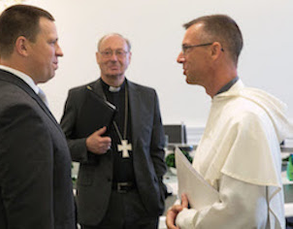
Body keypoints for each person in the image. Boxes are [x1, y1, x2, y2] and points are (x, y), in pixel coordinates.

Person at [166, 14, 293, 229]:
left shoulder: (246, 117)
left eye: (187, 48)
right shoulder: (226, 108)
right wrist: (182, 207)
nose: (180, 58)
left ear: (214, 51)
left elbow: (243, 216)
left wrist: (184, 219)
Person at [0, 5, 76, 229]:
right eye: (52, 42)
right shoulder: (18, 111)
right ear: (23, 46)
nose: (60, 51)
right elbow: (30, 217)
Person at [60, 33, 167, 229]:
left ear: (129, 57)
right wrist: (85, 145)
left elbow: (157, 148)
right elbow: (60, 145)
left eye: (120, 52)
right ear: (97, 57)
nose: (113, 58)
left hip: (142, 202)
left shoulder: (147, 96)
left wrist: (157, 184)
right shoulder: (79, 97)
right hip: (99, 204)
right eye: (107, 53)